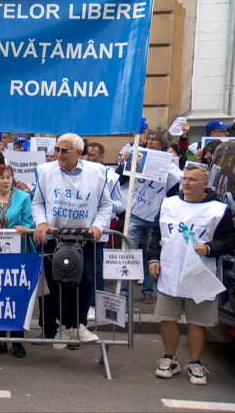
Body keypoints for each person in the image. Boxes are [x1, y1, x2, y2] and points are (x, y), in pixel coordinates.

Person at [148, 164, 235, 385]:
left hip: (200, 272)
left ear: (204, 183)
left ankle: (195, 363)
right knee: (168, 317)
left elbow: (230, 241)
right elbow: (157, 232)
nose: (185, 182)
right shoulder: (169, 204)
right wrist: (153, 258)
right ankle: (169, 357)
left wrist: (209, 248)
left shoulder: (218, 210)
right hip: (170, 270)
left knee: (198, 321)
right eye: (184, 178)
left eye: (191, 179)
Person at [32, 133, 112, 349]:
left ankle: (78, 325)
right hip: (54, 238)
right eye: (57, 149)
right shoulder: (44, 171)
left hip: (84, 239)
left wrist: (97, 226)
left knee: (83, 281)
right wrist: (40, 223)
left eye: (63, 151)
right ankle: (62, 327)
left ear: (79, 153)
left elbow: (106, 205)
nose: (58, 154)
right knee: (56, 282)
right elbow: (37, 202)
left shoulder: (98, 173)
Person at [117, 127, 182, 302]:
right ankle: (124, 291)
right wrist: (124, 164)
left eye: (155, 139)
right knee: (128, 251)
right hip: (136, 212)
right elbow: (120, 179)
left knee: (150, 253)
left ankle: (147, 290)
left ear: (164, 143)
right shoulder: (138, 155)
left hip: (155, 215)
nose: (151, 141)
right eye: (150, 138)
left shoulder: (170, 166)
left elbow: (173, 191)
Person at [0, 163, 34, 358]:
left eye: (9, 177)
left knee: (16, 296)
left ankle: (17, 341)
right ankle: (0, 341)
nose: (6, 181)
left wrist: (24, 228)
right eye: (1, 177)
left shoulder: (23, 197)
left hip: (18, 253)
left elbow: (30, 221)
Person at [85, 142, 125, 321]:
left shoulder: (111, 177)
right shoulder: (78, 174)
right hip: (79, 230)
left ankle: (94, 304)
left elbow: (120, 206)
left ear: (102, 158)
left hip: (99, 232)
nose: (88, 158)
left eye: (93, 155)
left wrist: (104, 201)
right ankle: (82, 303)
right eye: (86, 155)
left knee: (97, 269)